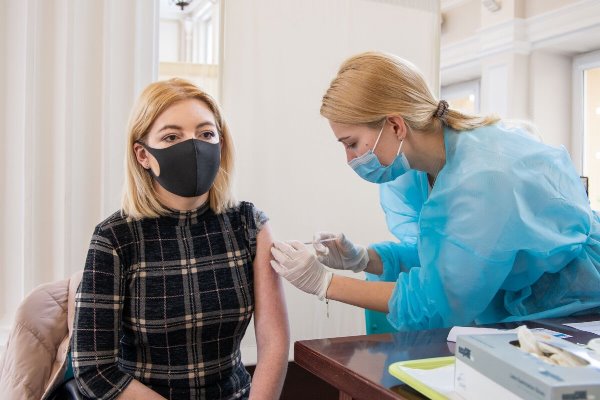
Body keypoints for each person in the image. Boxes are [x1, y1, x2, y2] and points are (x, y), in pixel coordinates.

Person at [270, 51, 600, 332]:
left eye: (352, 143)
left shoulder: (481, 181)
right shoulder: (417, 170)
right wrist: (364, 258)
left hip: (573, 311)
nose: (350, 159)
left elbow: (438, 300)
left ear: (396, 125)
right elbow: (444, 258)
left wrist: (324, 283)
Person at [72, 78, 289, 399]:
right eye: (172, 136)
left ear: (221, 144)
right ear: (143, 155)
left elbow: (273, 342)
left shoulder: (249, 224)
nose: (194, 147)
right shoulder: (115, 237)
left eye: (206, 134)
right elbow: (94, 369)